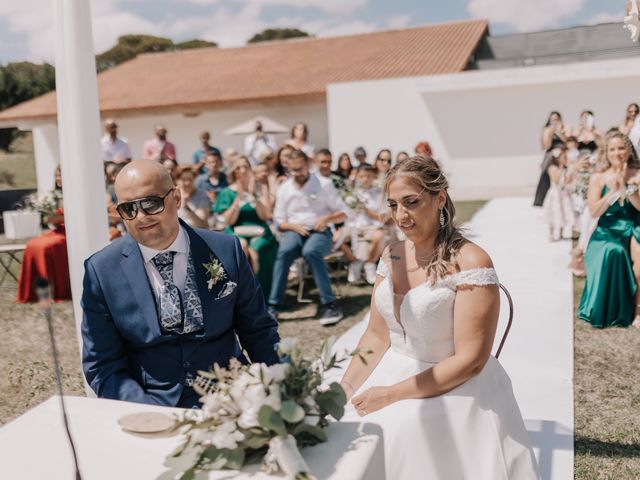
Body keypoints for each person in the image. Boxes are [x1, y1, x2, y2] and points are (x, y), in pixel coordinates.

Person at [337, 155, 540, 479]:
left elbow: (472, 359)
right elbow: (377, 335)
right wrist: (344, 388)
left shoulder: (471, 261)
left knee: (394, 431)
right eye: (393, 205)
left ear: (439, 197)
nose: (401, 216)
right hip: (391, 371)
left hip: (455, 384)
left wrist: (390, 395)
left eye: (411, 202)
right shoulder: (392, 254)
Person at [81, 160, 279, 408]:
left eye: (151, 203)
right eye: (128, 209)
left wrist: (282, 385)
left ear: (176, 198)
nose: (141, 217)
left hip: (233, 396)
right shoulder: (102, 270)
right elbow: (102, 365)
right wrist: (145, 410)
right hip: (152, 403)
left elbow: (259, 332)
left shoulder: (227, 250)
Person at [268, 149, 349, 325]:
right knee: (285, 251)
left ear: (308, 166)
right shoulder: (284, 188)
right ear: (288, 168)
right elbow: (278, 222)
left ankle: (330, 304)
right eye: (293, 170)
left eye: (301, 169)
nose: (298, 173)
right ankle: (273, 306)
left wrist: (327, 218)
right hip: (294, 231)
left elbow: (344, 213)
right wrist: (292, 226)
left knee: (311, 251)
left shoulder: (324, 184)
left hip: (320, 232)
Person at [577, 131, 640, 328]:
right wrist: (612, 193)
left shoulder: (638, 173)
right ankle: (614, 308)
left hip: (633, 225)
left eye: (621, 148)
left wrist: (627, 189)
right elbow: (594, 211)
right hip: (607, 229)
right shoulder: (598, 177)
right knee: (614, 251)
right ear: (606, 152)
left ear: (629, 150)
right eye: (612, 149)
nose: (617, 153)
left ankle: (637, 309)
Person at [214, 156, 279, 298]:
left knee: (258, 249)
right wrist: (238, 198)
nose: (242, 170)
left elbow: (266, 215)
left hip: (259, 230)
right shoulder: (227, 192)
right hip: (236, 229)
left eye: (245, 167)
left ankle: (258, 294)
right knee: (241, 246)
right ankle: (243, 293)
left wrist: (253, 196)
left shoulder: (260, 188)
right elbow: (229, 221)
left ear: (250, 169)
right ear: (234, 171)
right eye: (238, 167)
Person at [17, 166, 71, 303]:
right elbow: (47, 219)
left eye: (61, 175)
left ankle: (52, 291)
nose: (58, 178)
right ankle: (33, 292)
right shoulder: (53, 196)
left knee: (45, 247)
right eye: (57, 175)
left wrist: (60, 218)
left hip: (70, 232)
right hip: (57, 230)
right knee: (32, 244)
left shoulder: (74, 194)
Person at [347, 164, 389, 285]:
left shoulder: (378, 193)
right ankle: (356, 262)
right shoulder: (353, 193)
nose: (365, 179)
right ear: (357, 177)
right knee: (341, 238)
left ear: (374, 177)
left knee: (378, 235)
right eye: (362, 176)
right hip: (354, 225)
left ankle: (369, 263)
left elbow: (383, 216)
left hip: (373, 226)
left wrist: (367, 211)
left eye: (368, 176)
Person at [534, 111, 569, 207]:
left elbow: (568, 142)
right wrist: (551, 132)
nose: (555, 121)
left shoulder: (564, 128)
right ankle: (543, 201)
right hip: (551, 156)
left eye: (556, 119)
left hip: (563, 156)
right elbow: (547, 145)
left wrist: (559, 132)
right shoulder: (547, 130)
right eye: (553, 119)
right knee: (547, 177)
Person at [543, 145, 575, 241]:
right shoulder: (552, 168)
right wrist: (564, 171)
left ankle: (561, 233)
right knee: (554, 211)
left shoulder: (566, 168)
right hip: (555, 194)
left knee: (564, 211)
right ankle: (551, 233)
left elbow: (568, 181)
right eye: (563, 157)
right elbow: (556, 180)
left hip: (564, 193)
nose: (565, 159)